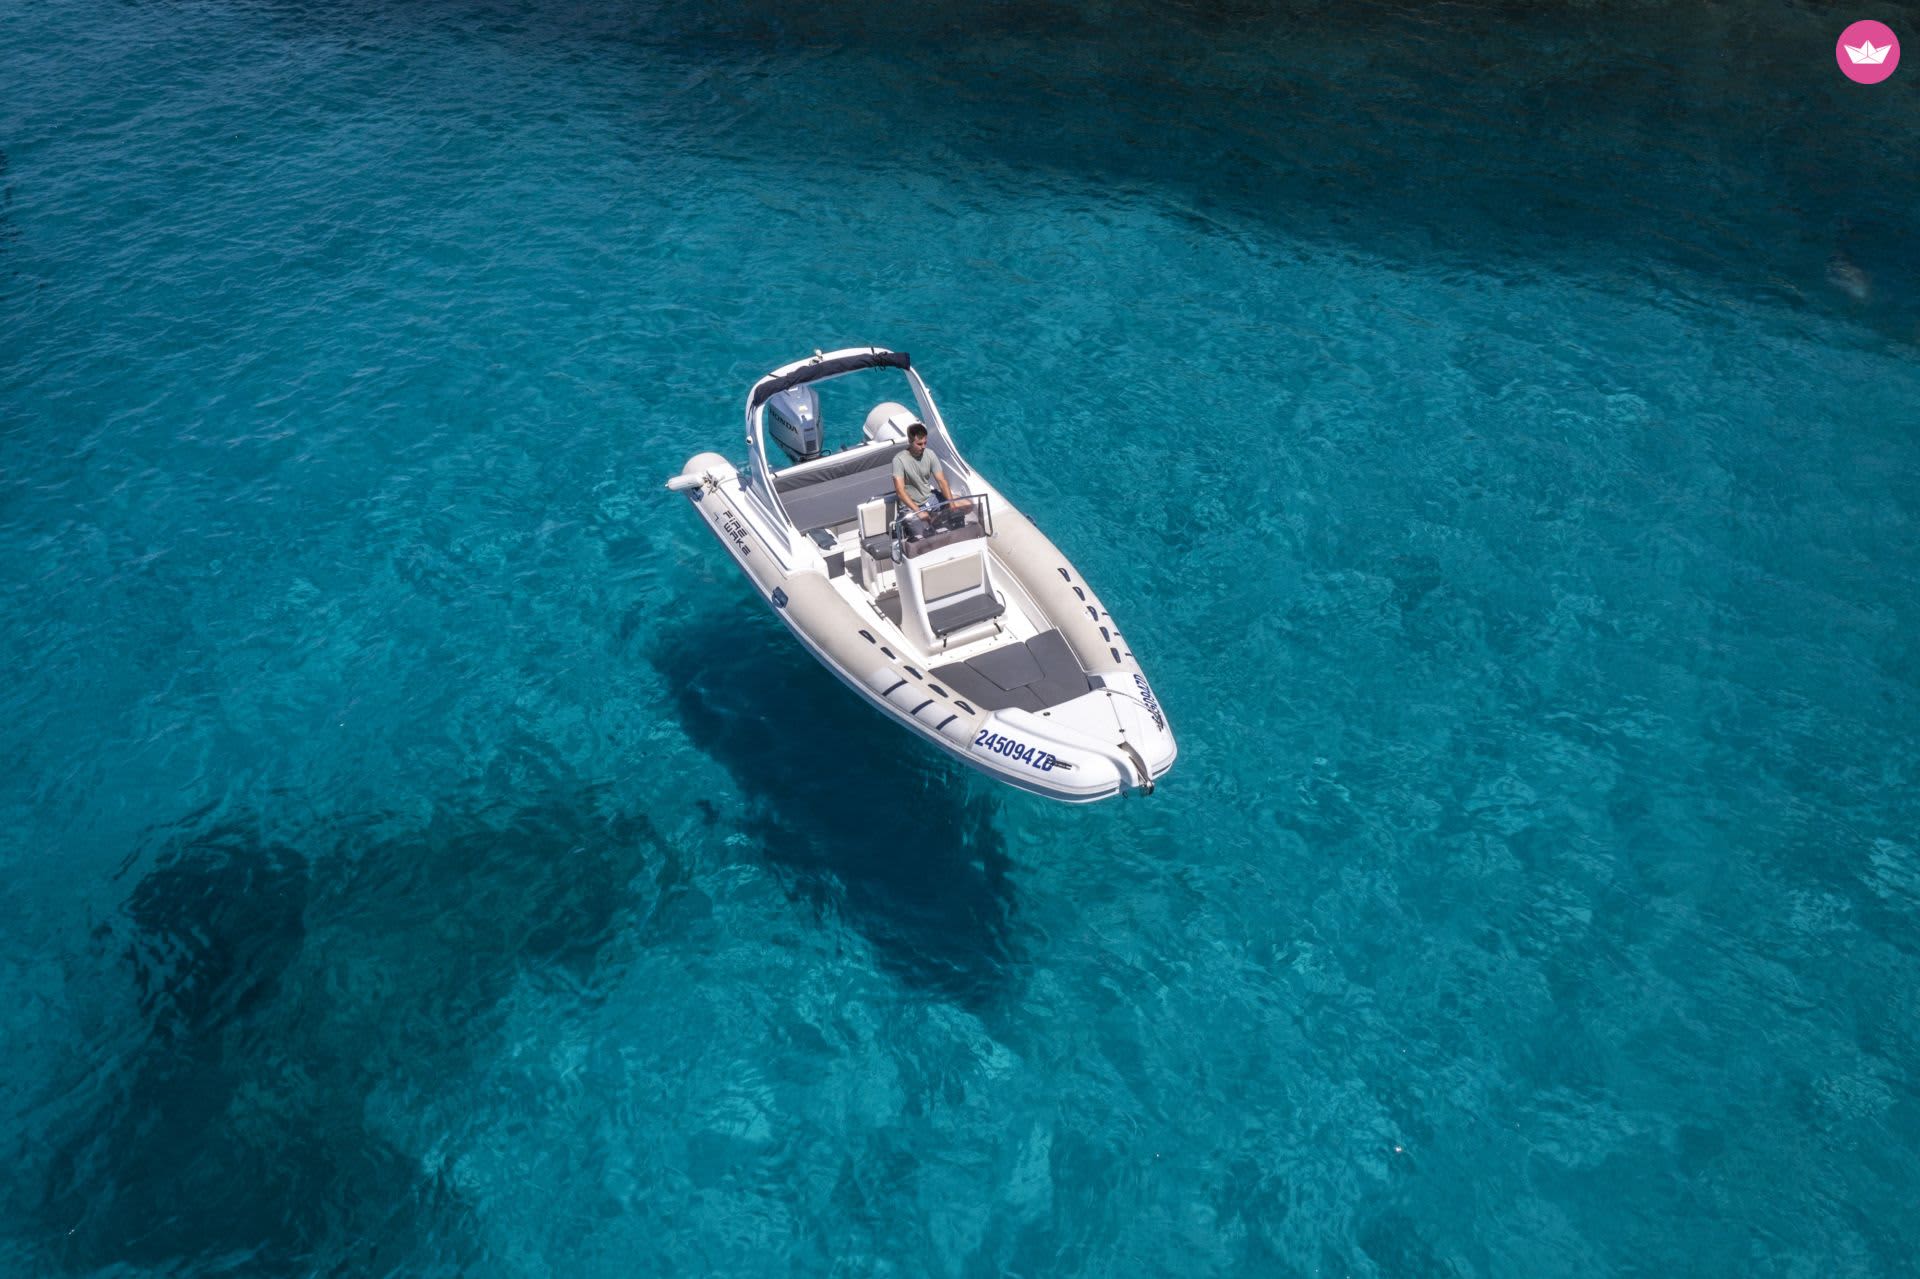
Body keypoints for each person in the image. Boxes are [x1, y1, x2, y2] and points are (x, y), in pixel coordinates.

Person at [891, 422, 971, 538]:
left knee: (967, 505)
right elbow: (900, 491)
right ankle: (927, 523)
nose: (923, 447)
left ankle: (934, 520)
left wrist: (952, 505)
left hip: (930, 498)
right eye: (919, 444)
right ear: (910, 441)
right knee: (923, 534)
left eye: (925, 443)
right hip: (911, 506)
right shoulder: (899, 460)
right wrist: (919, 512)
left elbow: (942, 481)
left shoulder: (930, 454)